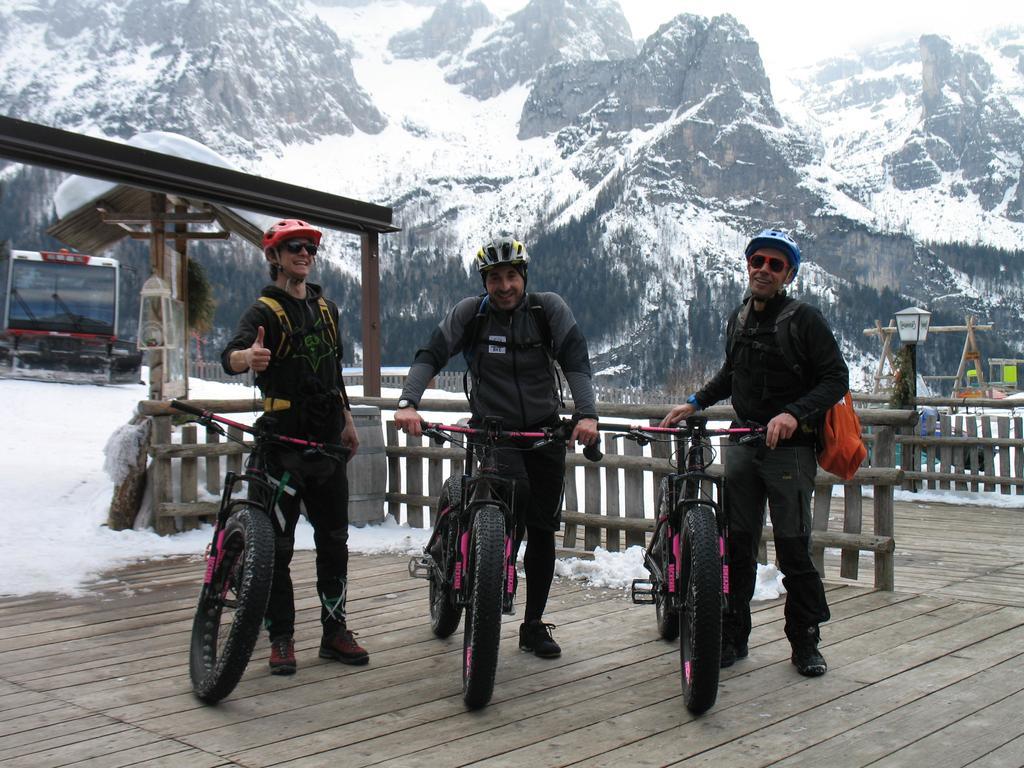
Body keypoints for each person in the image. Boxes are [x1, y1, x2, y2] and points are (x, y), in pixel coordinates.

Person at [394, 236, 599, 658]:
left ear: (523, 276)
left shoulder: (548, 310)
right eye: (494, 278)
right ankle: (481, 576)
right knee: (507, 512)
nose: (504, 286)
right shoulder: (471, 315)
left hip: (544, 432)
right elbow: (431, 353)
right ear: (484, 282)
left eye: (511, 276)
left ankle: (533, 624)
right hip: (492, 433)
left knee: (542, 531)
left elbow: (576, 358)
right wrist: (407, 401)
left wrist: (587, 413)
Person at [661, 229, 849, 677]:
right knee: (737, 548)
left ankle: (805, 641)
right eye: (757, 261)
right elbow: (732, 372)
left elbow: (835, 378)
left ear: (788, 274)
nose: (763, 269)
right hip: (744, 444)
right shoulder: (739, 317)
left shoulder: (805, 319)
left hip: (791, 450)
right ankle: (732, 636)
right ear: (748, 265)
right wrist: (694, 402)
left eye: (775, 264)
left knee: (793, 551)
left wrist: (792, 413)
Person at [221, 218, 368, 674]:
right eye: (293, 248)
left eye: (309, 248)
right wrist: (248, 358)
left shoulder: (328, 310)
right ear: (274, 257)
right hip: (280, 444)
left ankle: (334, 631)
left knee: (334, 541)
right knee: (276, 548)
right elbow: (231, 355)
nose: (304, 254)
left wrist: (347, 420)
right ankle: (280, 637)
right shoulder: (263, 311)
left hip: (325, 445)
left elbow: (335, 372)